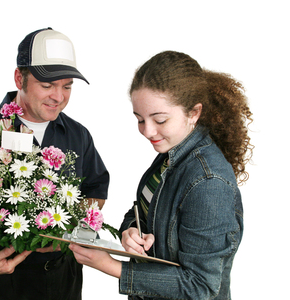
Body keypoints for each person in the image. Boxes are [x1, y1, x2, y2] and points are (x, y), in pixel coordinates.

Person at [0, 27, 109, 300]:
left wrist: (76, 231)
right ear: (19, 78)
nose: (58, 97)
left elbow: (95, 189)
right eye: (47, 85)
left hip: (65, 279)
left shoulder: (78, 135)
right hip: (4, 284)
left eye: (67, 86)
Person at [70, 50, 253, 299]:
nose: (147, 131)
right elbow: (145, 210)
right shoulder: (171, 155)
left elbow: (201, 286)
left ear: (194, 113)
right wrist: (131, 231)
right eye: (139, 119)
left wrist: (112, 266)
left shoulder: (208, 183)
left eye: (160, 120)